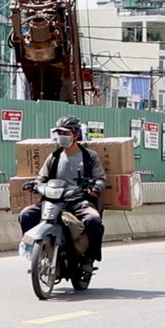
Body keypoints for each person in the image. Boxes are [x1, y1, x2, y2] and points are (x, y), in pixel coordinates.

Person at [18, 115, 107, 273]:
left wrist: (95, 187)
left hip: (78, 202)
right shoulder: (54, 157)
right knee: (26, 215)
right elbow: (41, 178)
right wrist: (36, 185)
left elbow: (100, 179)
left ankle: (89, 258)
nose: (62, 137)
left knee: (93, 221)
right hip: (52, 201)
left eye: (65, 133)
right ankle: (36, 255)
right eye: (59, 133)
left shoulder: (89, 157)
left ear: (75, 134)